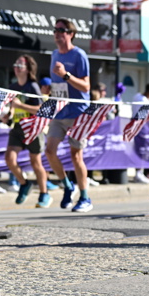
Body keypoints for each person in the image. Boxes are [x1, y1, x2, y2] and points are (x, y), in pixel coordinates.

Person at [46, 18, 93, 212]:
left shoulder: (79, 55)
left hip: (77, 112)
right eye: (55, 30)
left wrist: (66, 75)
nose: (57, 33)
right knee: (49, 151)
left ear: (71, 34)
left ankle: (85, 198)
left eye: (61, 30)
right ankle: (67, 185)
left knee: (76, 155)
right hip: (59, 110)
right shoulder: (54, 54)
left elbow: (86, 86)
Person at [5, 54, 52, 208]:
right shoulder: (12, 87)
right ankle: (24, 184)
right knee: (9, 158)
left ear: (28, 69)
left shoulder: (32, 87)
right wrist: (8, 115)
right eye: (15, 65)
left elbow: (41, 109)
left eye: (20, 65)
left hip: (33, 128)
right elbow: (12, 106)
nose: (16, 68)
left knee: (35, 162)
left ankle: (44, 194)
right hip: (18, 127)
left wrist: (21, 106)